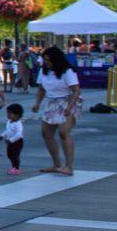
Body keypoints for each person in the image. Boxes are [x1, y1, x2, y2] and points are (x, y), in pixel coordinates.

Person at [32, 45, 81, 175]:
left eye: (49, 60)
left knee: (64, 132)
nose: (46, 63)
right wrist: (37, 103)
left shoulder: (67, 72)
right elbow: (41, 89)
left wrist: (69, 108)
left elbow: (76, 91)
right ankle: (56, 164)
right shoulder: (44, 71)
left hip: (68, 100)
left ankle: (69, 166)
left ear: (56, 60)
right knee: (46, 133)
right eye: (45, 60)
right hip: (52, 102)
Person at [1, 103, 25, 175]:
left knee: (15, 155)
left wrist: (11, 140)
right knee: (9, 154)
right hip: (10, 142)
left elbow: (19, 134)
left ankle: (16, 168)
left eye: (10, 113)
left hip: (17, 142)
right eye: (7, 113)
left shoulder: (18, 124)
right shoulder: (9, 122)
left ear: (17, 115)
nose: (8, 115)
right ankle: (13, 166)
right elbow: (7, 130)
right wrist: (2, 135)